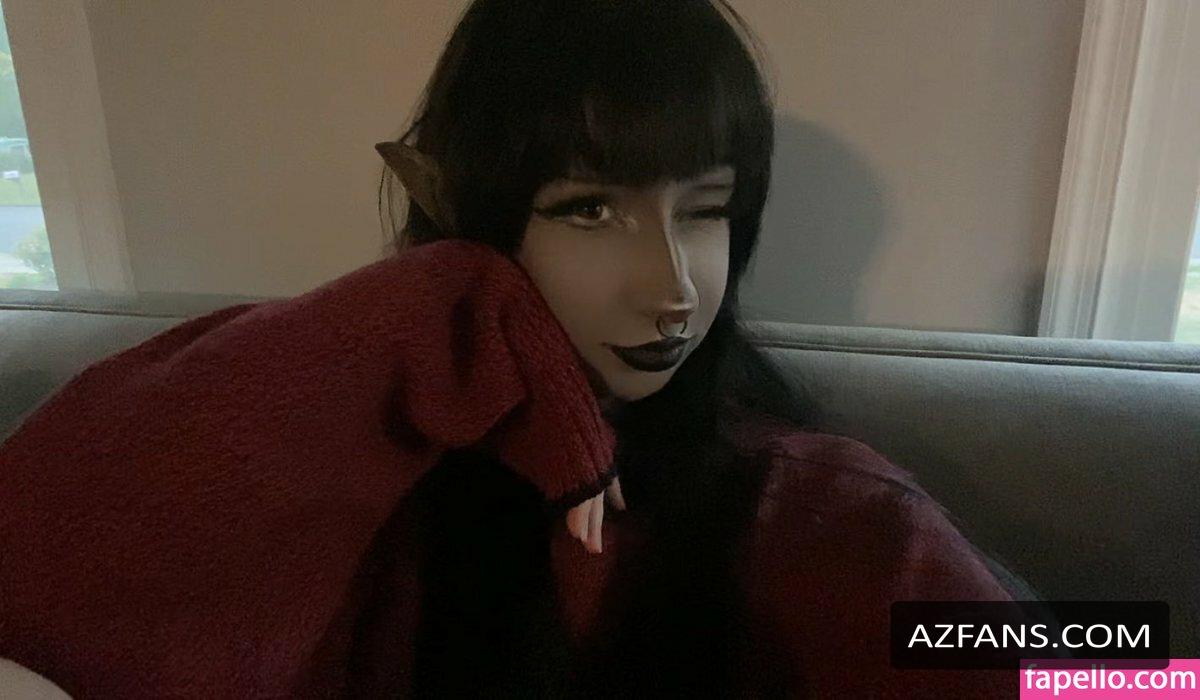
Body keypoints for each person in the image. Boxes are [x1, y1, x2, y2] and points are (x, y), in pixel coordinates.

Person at [0, 1, 1024, 697]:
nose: (671, 285)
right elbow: (52, 567)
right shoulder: (370, 487)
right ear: (468, 220)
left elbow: (1098, 674)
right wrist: (416, 311)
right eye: (590, 210)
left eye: (705, 211)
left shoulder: (826, 514)